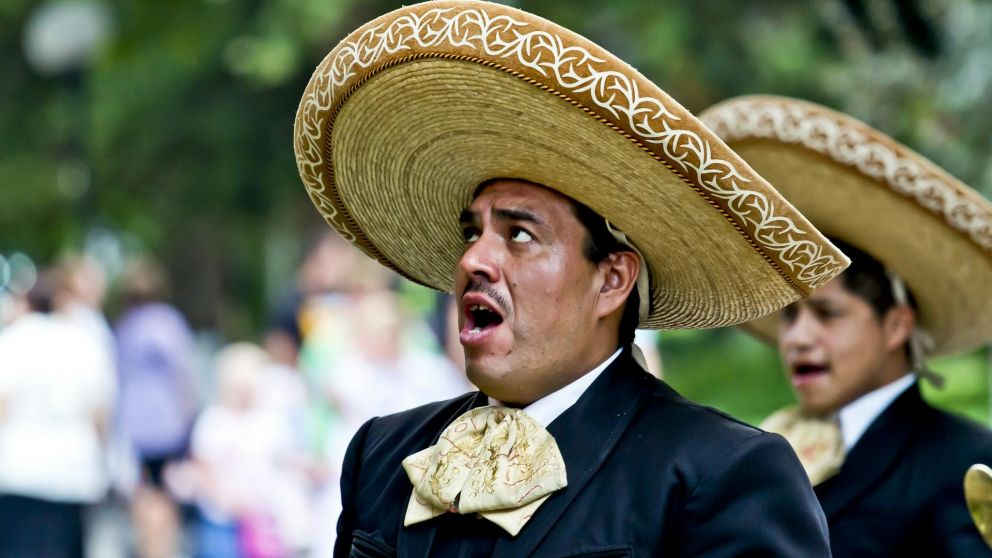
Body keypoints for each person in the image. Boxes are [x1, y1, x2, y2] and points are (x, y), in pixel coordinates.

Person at [294, 2, 850, 556]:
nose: (472, 261)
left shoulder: (717, 475)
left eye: (519, 235)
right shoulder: (383, 452)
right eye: (473, 233)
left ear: (611, 280)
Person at [702, 94, 992, 556]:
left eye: (828, 314)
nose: (796, 337)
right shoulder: (766, 451)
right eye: (789, 314)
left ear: (896, 325)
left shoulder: (965, 461)